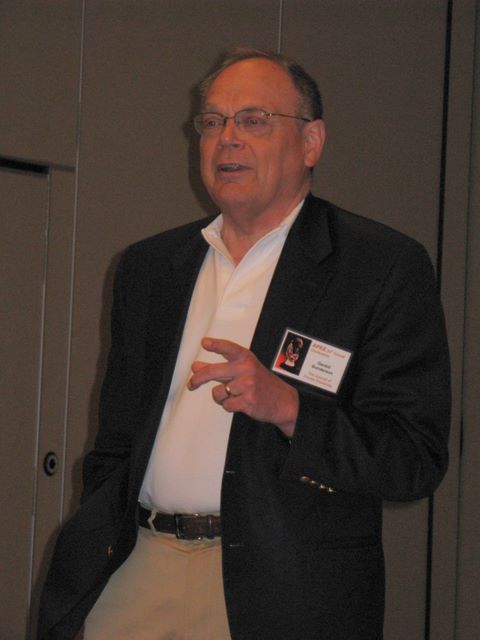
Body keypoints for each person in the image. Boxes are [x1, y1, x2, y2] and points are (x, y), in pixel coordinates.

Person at [38, 48, 450, 640]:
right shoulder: (151, 267)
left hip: (282, 587)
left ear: (311, 142)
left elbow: (413, 458)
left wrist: (290, 409)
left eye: (254, 120)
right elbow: (117, 438)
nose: (227, 138)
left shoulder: (378, 267)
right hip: (138, 567)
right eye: (212, 122)